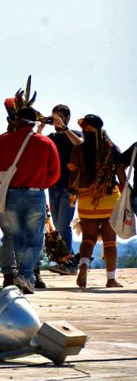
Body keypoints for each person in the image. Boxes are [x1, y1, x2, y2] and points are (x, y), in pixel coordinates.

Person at [0, 106, 60, 294]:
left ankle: (23, 275)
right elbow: (55, 172)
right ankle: (26, 275)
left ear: (18, 120)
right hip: (35, 195)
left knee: (17, 239)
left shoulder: (5, 140)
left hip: (11, 195)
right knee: (36, 240)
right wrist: (41, 184)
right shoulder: (45, 142)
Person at [68, 115, 126, 289]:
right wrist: (125, 193)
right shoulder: (111, 148)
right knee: (110, 240)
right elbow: (121, 169)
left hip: (87, 197)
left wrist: (72, 195)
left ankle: (84, 265)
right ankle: (111, 279)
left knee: (88, 238)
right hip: (109, 197)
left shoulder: (79, 148)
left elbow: (73, 174)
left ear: (85, 129)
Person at [45, 105, 82, 274]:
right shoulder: (51, 137)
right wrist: (40, 125)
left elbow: (80, 144)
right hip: (53, 186)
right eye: (54, 117)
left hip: (70, 187)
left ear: (67, 118)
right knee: (58, 226)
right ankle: (68, 259)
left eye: (59, 117)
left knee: (63, 224)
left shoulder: (74, 134)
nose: (55, 120)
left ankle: (69, 263)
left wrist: (64, 128)